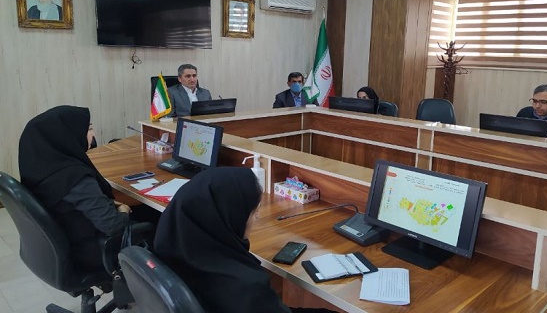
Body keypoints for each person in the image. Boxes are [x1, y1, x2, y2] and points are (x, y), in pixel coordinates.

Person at [154, 167, 334, 313]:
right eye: (254, 211)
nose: (257, 217)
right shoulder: (246, 286)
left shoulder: (170, 243)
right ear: (231, 216)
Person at [18, 106, 154, 271]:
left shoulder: (43, 168)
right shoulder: (74, 177)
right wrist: (124, 210)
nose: (93, 134)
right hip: (91, 252)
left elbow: (71, 203)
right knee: (158, 217)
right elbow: (113, 226)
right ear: (67, 134)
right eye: (88, 129)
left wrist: (106, 203)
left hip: (65, 243)